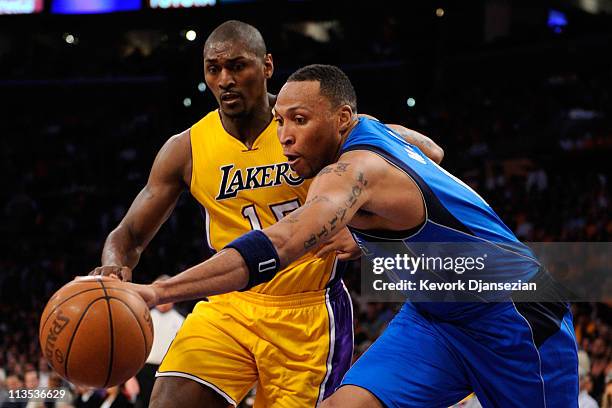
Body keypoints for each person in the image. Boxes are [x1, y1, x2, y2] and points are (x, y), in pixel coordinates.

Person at [125, 64, 579, 407]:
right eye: (279, 121)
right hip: (435, 319)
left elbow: (279, 244)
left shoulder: (350, 173)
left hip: (515, 317)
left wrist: (157, 290)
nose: (284, 136)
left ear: (342, 119)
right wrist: (372, 231)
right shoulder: (375, 130)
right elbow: (433, 150)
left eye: (300, 120)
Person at [90, 21, 443, 408]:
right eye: (213, 68)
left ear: (267, 66)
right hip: (230, 303)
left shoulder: (313, 123)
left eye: (238, 66)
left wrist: (365, 232)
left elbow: (429, 153)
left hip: (307, 312)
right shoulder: (186, 148)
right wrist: (112, 266)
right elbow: (128, 236)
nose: (225, 79)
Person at [135, 275, 184, 408]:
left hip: (167, 373)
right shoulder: (142, 316)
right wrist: (130, 377)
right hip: (143, 371)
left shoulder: (181, 321)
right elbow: (133, 349)